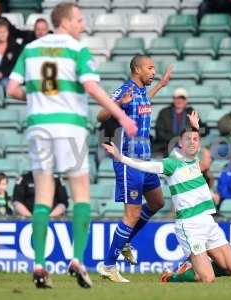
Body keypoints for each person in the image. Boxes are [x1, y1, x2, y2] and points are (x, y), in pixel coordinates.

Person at [6, 2, 137, 289]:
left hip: (38, 126)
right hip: (69, 127)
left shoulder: (31, 49)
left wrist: (39, 96)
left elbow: (12, 89)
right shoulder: (77, 49)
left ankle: (39, 265)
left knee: (43, 195)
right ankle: (77, 259)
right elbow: (91, 88)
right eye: (79, 20)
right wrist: (121, 116)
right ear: (64, 22)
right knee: (80, 194)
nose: (83, 25)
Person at [102, 112, 231, 283]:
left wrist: (195, 126)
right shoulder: (172, 163)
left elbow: (193, 139)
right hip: (190, 226)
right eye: (187, 139)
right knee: (207, 279)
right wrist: (121, 158)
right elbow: (147, 166)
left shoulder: (194, 159)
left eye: (196, 139)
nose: (192, 142)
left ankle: (192, 267)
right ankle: (173, 277)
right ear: (180, 143)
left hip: (208, 222)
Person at [96, 55, 172, 283]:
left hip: (145, 160)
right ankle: (108, 265)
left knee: (157, 202)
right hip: (128, 161)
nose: (153, 71)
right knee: (132, 214)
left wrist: (160, 85)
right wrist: (118, 104)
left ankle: (126, 240)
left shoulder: (140, 92)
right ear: (137, 69)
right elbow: (101, 115)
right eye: (150, 68)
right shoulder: (124, 89)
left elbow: (143, 103)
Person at [154, 87, 207, 156]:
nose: (179, 101)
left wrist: (190, 135)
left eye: (182, 98)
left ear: (186, 101)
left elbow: (203, 129)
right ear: (173, 99)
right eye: (177, 98)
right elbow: (159, 132)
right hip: (166, 146)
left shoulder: (191, 112)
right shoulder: (164, 112)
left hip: (186, 146)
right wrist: (177, 139)